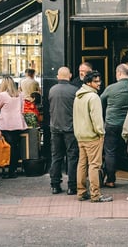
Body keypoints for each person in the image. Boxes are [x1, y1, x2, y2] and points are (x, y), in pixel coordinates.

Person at [73, 71, 112, 203]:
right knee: (94, 165)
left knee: (82, 164)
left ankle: (81, 192)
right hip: (92, 136)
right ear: (88, 83)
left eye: (99, 80)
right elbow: (97, 119)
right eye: (96, 81)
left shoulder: (78, 96)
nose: (99, 83)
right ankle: (95, 195)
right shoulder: (93, 97)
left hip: (80, 136)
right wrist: (101, 133)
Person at [100, 64, 128, 189]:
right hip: (127, 125)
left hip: (112, 124)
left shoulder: (111, 88)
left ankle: (111, 180)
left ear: (118, 73)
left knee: (110, 152)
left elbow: (100, 102)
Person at [48, 66, 80, 195]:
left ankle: (55, 185)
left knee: (56, 157)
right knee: (72, 157)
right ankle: (72, 186)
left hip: (55, 127)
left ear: (57, 76)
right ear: (70, 75)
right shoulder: (74, 91)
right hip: (71, 128)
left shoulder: (52, 90)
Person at [0, 76, 28, 179]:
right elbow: (22, 109)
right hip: (18, 123)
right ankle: (12, 170)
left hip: (6, 123)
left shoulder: (1, 95)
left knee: (7, 147)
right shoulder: (20, 95)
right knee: (15, 146)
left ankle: (7, 168)